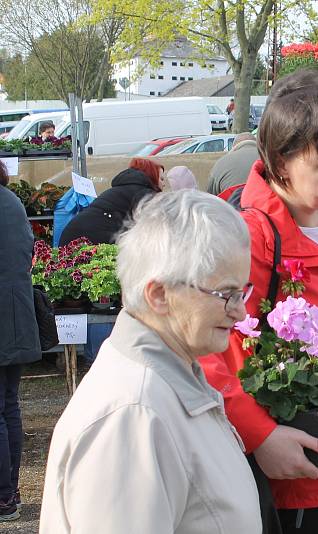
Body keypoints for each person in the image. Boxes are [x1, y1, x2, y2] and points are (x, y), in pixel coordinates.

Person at [199, 69, 318, 534]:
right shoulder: (252, 237)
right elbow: (203, 350)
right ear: (281, 161)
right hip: (296, 473)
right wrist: (260, 435)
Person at [39, 191, 262, 533]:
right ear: (159, 295)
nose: (241, 310)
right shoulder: (132, 416)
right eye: (225, 294)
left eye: (242, 291)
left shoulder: (172, 375)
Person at [0, 161, 41, 522]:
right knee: (9, 405)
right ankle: (10, 493)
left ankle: (4, 498)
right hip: (17, 314)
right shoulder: (12, 202)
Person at [59, 157, 164, 246]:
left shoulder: (123, 189)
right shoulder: (143, 193)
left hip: (73, 235)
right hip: (90, 237)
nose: (163, 184)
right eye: (161, 179)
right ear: (152, 177)